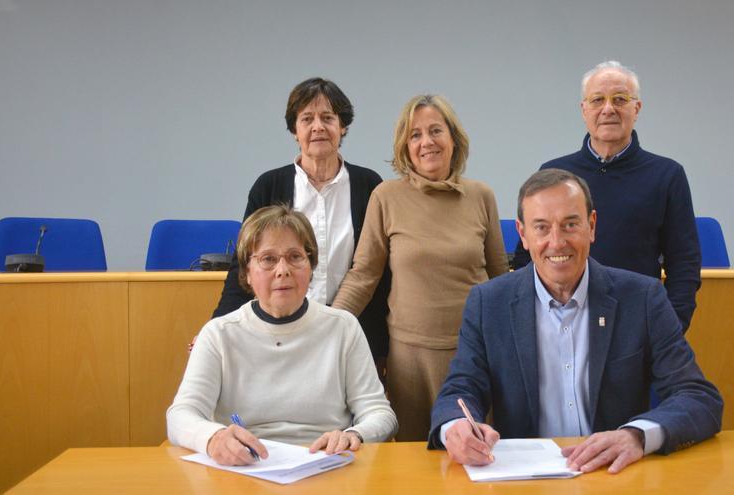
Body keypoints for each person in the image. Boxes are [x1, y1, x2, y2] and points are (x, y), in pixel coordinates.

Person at [430, 169, 722, 474]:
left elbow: (699, 398)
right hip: (524, 478)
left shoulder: (642, 298)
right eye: (541, 228)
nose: (557, 243)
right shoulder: (489, 303)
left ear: (591, 226)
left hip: (613, 474)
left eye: (570, 225)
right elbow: (460, 389)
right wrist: (456, 426)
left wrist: (636, 436)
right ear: (523, 235)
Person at [332, 95, 508, 441]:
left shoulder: (481, 196)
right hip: (409, 361)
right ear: (405, 146)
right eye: (415, 135)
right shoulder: (386, 197)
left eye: (435, 131)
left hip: (473, 355)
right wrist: (326, 328)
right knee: (413, 457)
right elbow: (363, 276)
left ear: (453, 138)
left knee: (474, 454)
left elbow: (500, 277)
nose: (426, 142)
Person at [168, 204, 397, 466]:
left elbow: (380, 413)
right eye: (268, 259)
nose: (283, 270)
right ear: (247, 273)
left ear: (311, 266)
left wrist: (354, 435)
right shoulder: (219, 334)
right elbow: (180, 415)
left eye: (295, 257)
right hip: (245, 467)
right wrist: (213, 438)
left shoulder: (343, 327)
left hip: (325, 464)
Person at [513, 61, 701, 332]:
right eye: (598, 99)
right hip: (559, 323)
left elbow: (684, 264)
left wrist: (668, 328)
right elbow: (526, 257)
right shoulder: (554, 174)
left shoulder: (667, 175)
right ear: (584, 110)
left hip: (635, 323)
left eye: (620, 99)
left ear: (637, 109)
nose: (608, 109)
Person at [212, 77, 390, 364]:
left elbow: (378, 270)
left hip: (355, 334)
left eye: (328, 118)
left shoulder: (370, 186)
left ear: (342, 126)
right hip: (280, 333)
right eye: (307, 119)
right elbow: (244, 264)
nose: (318, 127)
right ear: (295, 130)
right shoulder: (269, 186)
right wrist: (216, 329)